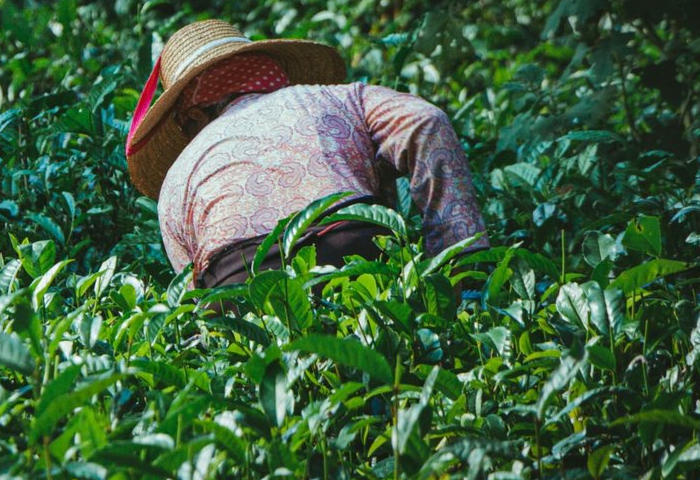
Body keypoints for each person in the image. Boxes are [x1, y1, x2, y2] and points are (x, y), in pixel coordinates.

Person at [126, 19, 489, 288]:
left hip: (242, 287)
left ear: (190, 113)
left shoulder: (178, 176)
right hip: (352, 253)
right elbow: (426, 121)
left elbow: (192, 293)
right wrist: (457, 259)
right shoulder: (336, 97)